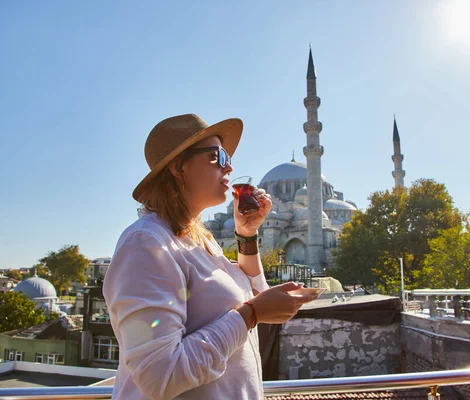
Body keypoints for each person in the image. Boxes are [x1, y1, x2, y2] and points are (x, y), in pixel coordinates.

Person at [103, 114, 318, 400]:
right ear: (179, 167)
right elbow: (161, 377)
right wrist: (251, 314)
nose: (229, 165)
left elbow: (255, 294)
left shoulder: (198, 239)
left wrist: (246, 235)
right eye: (217, 156)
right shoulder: (146, 244)